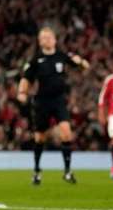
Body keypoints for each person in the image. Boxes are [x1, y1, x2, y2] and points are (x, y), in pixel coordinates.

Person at [17, 27, 90, 185]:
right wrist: (22, 92)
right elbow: (26, 78)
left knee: (66, 133)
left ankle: (67, 172)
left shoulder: (62, 56)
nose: (46, 40)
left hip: (59, 100)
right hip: (42, 102)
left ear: (55, 40)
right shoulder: (36, 60)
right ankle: (36, 171)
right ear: (40, 41)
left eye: (49, 37)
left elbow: (84, 66)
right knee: (39, 138)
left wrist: (82, 61)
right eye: (43, 37)